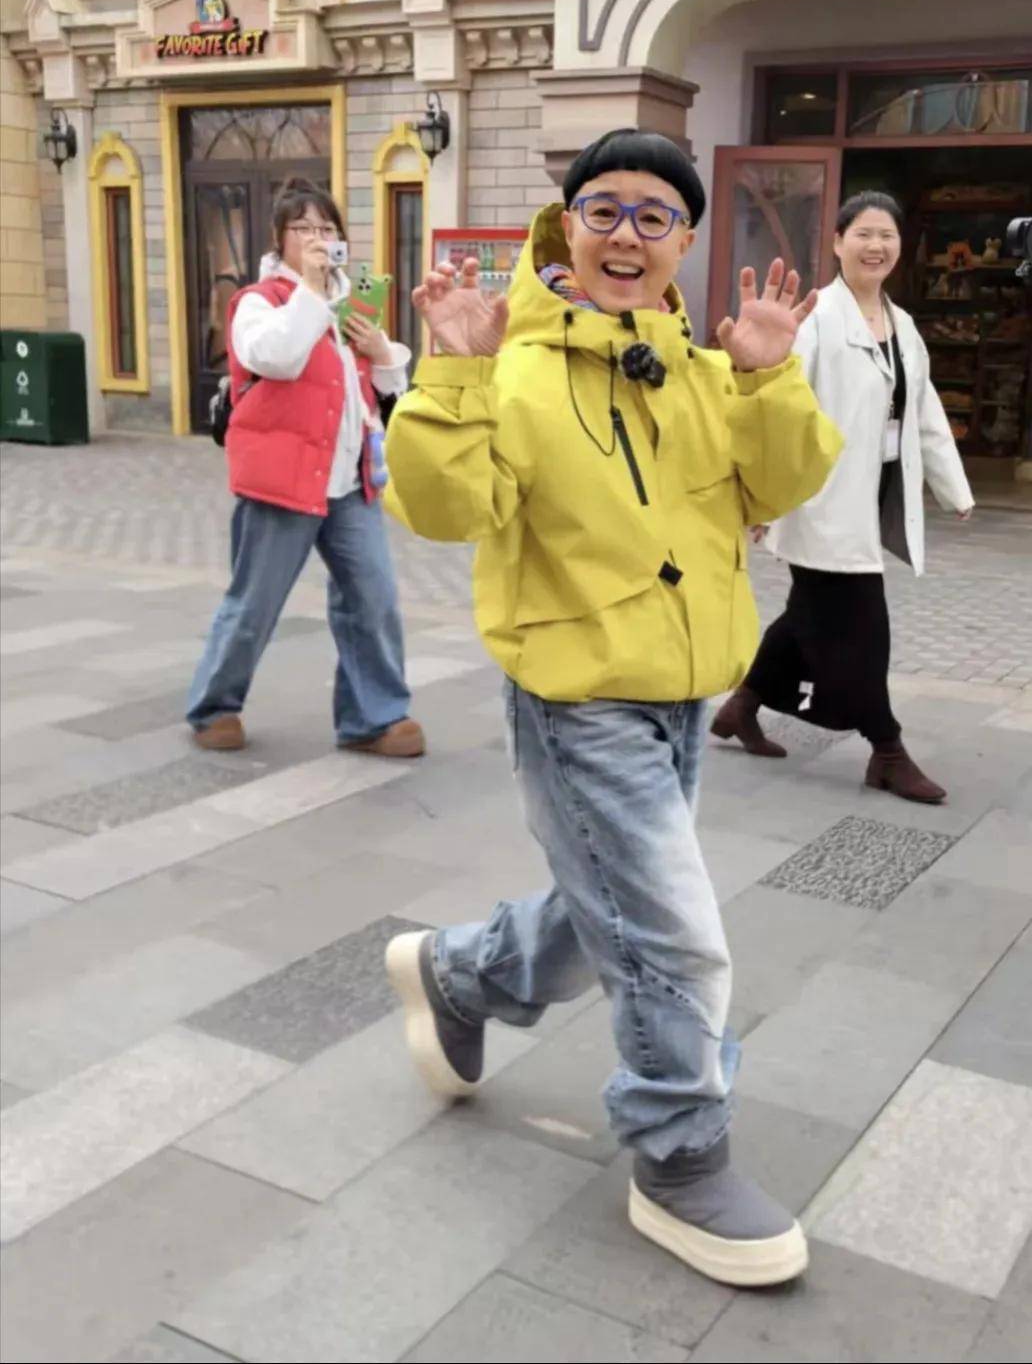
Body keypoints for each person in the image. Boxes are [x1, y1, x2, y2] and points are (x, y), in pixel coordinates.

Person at [381, 129, 843, 1288]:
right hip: (576, 693)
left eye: (654, 215)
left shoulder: (699, 365)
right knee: (674, 931)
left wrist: (767, 376)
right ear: (568, 227)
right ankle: (679, 1154)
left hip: (683, 691)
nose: (626, 234)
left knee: (618, 905)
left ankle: (460, 973)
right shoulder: (516, 366)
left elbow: (784, 483)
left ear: (683, 240)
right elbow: (441, 509)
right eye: (604, 209)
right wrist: (454, 373)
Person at [711, 190, 974, 802]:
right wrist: (762, 496)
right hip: (819, 501)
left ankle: (742, 706)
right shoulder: (816, 320)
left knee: (807, 616)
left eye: (887, 235)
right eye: (863, 234)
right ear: (837, 242)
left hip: (870, 498)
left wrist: (952, 488)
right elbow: (776, 413)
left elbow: (924, 412)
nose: (875, 246)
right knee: (863, 631)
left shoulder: (903, 326)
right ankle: (888, 751)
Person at [186, 177, 425, 758]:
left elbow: (383, 393)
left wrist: (381, 354)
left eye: (326, 227)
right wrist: (311, 293)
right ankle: (215, 708)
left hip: (350, 480)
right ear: (280, 238)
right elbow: (275, 357)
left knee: (373, 599)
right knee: (255, 601)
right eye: (304, 228)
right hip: (283, 480)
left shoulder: (354, 300)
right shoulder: (258, 301)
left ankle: (373, 718)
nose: (317, 237)